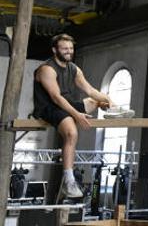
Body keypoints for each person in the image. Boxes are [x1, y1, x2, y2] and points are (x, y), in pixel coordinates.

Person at [33, 33, 132, 200]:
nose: (68, 51)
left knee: (96, 101)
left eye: (71, 48)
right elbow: (56, 98)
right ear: (54, 50)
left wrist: (109, 100)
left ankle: (114, 110)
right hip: (49, 107)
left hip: (67, 104)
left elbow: (91, 90)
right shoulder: (46, 69)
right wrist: (77, 115)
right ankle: (69, 181)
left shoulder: (73, 68)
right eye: (64, 48)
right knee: (72, 133)